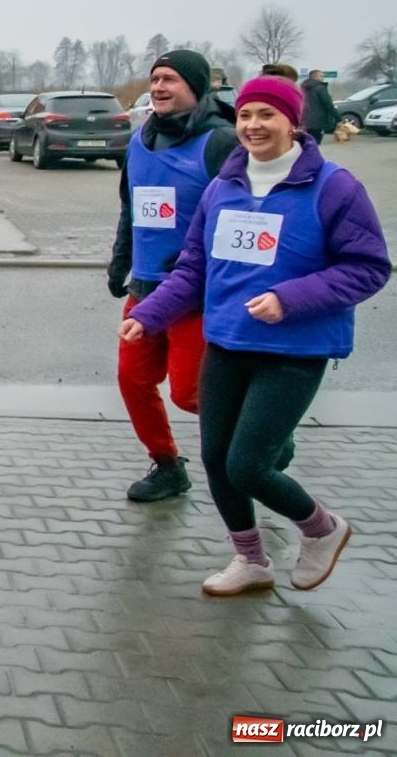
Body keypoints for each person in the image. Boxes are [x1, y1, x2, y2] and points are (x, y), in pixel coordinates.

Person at [120, 76, 389, 596]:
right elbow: (194, 267)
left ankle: (322, 529)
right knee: (217, 461)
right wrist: (150, 313)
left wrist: (291, 299)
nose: (253, 126)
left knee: (248, 464)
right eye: (245, 115)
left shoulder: (334, 186)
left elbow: (367, 266)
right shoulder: (224, 187)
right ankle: (251, 561)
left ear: (294, 121)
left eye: (267, 115)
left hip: (294, 351)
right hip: (226, 342)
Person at [108, 49, 238, 502]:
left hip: (196, 293)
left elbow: (244, 214)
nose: (159, 87)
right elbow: (132, 210)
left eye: (171, 80)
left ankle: (263, 440)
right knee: (133, 379)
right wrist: (119, 263)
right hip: (144, 289)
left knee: (190, 393)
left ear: (197, 88)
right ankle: (167, 465)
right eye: (155, 78)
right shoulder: (140, 140)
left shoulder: (221, 141)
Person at [301, 69, 337, 144]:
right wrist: (338, 118)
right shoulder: (320, 88)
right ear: (315, 77)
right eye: (321, 76)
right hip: (318, 122)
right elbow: (328, 104)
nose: (323, 78)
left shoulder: (303, 88)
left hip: (304, 121)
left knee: (306, 144)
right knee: (315, 144)